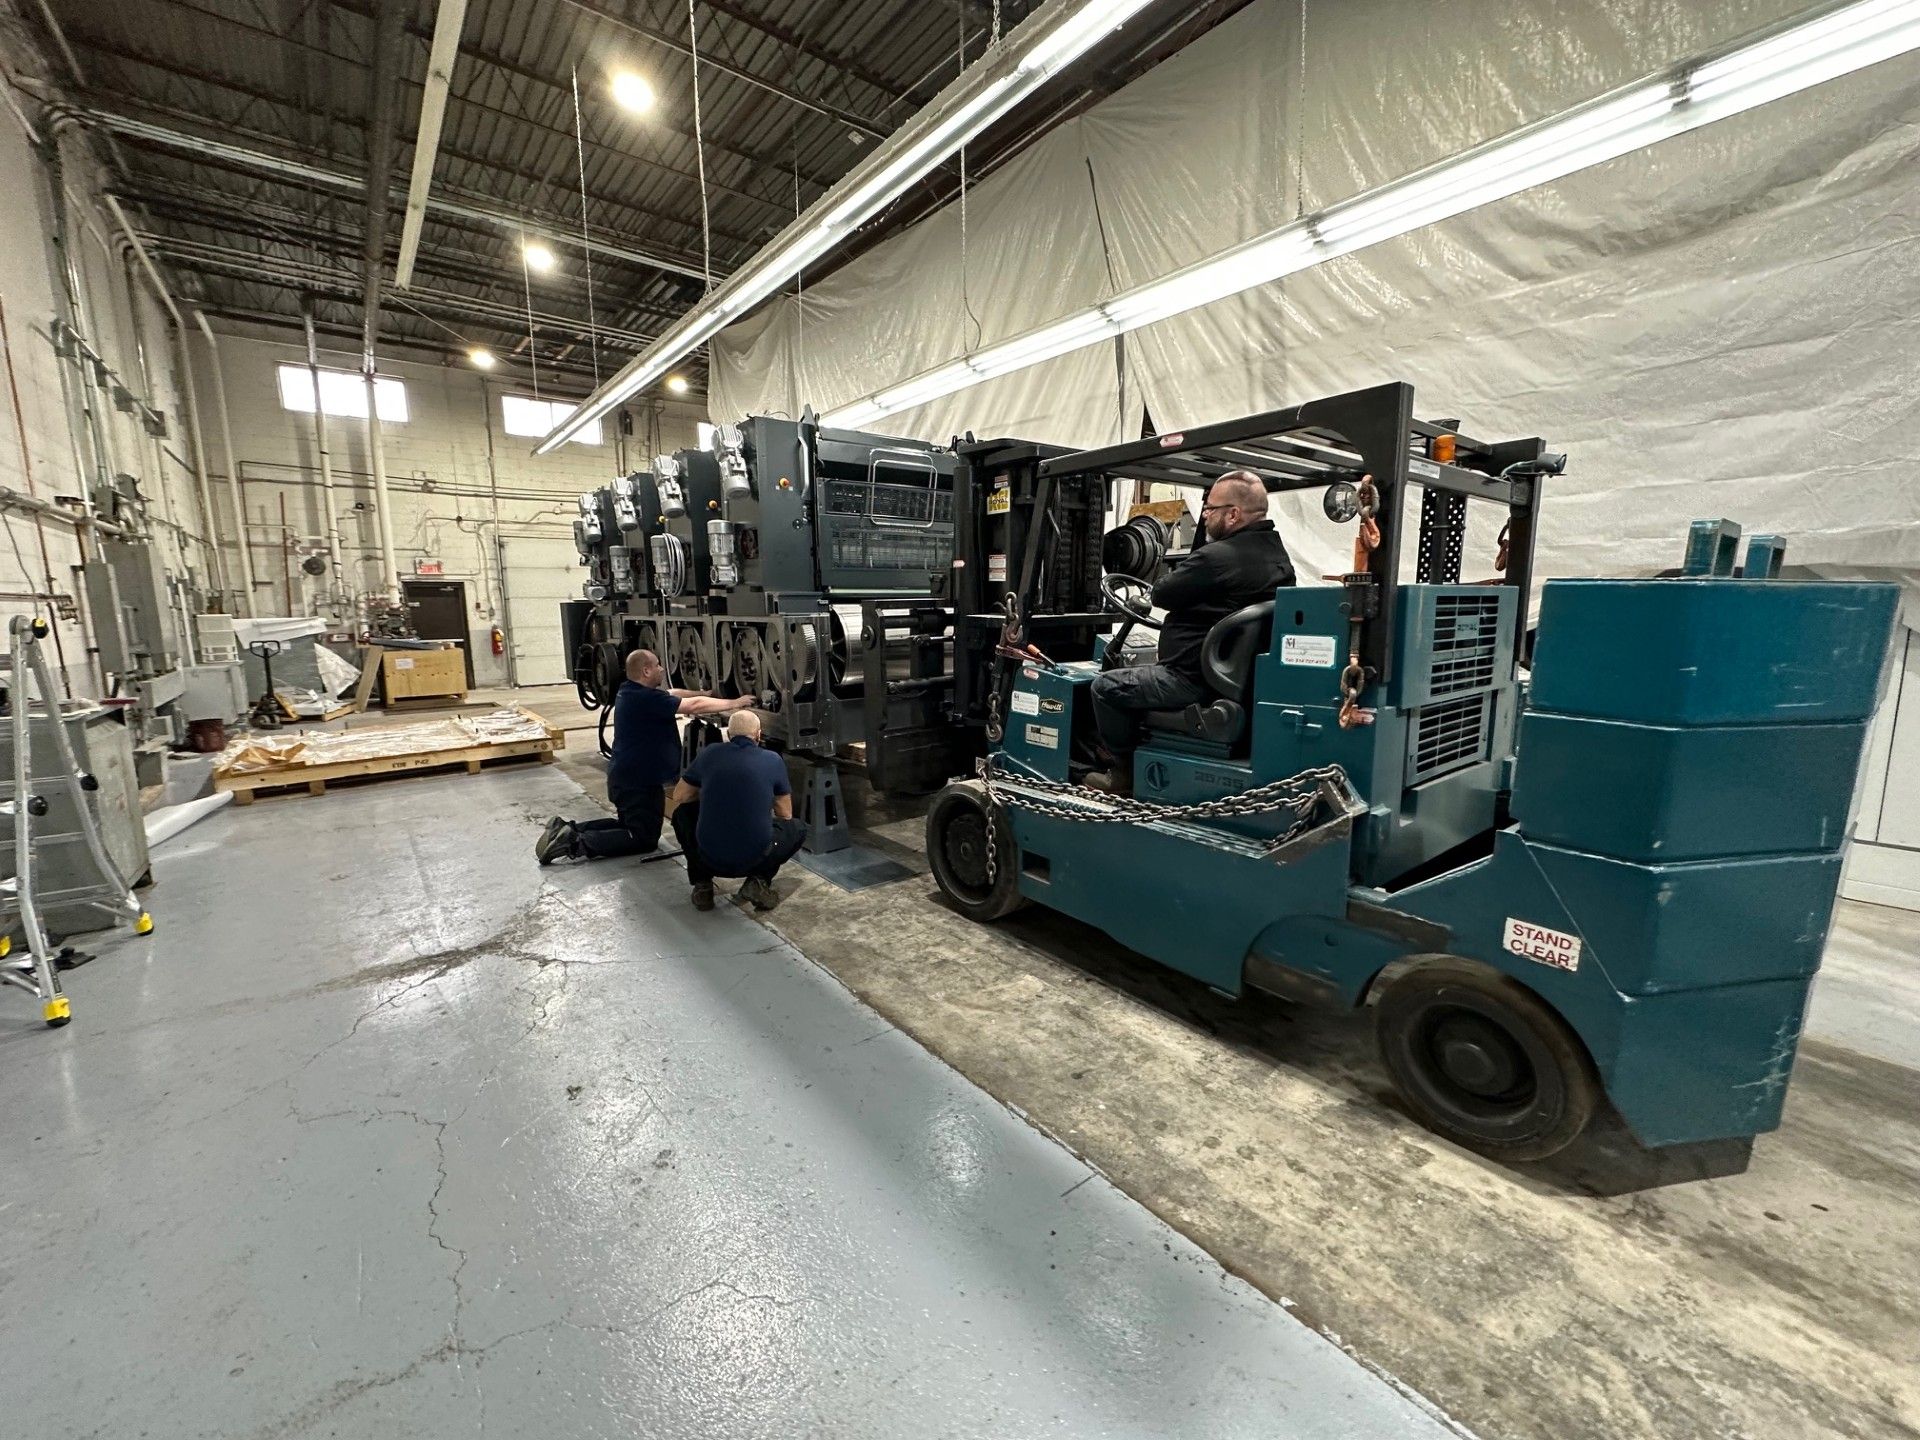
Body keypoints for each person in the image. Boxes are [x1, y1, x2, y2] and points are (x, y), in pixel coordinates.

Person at [1087, 470, 1295, 794]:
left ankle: (1121, 773)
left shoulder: (1217, 558)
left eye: (1210, 509)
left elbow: (1161, 594)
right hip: (1232, 679)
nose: (1206, 515)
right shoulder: (1276, 556)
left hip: (1188, 679)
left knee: (1105, 686)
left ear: (1233, 514)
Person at [535, 648, 750, 864]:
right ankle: (575, 843)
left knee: (629, 825)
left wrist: (706, 694)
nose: (662, 669)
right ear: (646, 671)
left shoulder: (631, 691)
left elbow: (673, 693)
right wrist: (735, 703)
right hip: (637, 782)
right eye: (657, 665)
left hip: (629, 778)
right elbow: (692, 706)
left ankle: (566, 828)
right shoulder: (646, 699)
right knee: (643, 838)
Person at [669, 709, 808, 912]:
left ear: (728, 735)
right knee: (797, 828)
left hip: (709, 857)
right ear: (759, 735)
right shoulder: (772, 760)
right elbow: (785, 814)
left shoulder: (710, 753)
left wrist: (713, 790)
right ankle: (758, 881)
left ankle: (702, 885)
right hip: (755, 858)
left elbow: (680, 796)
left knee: (682, 814)